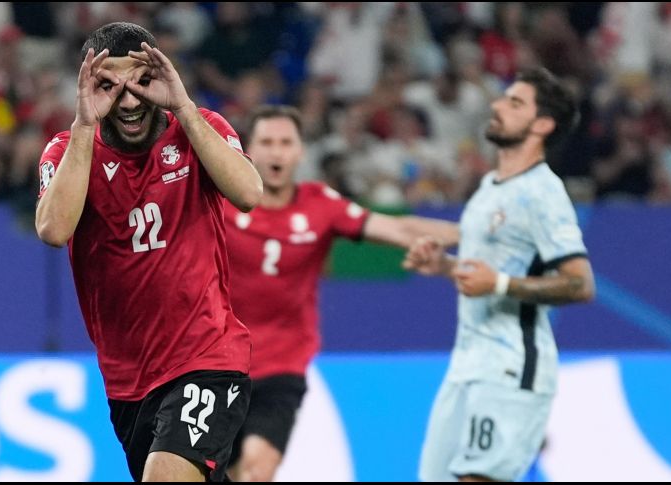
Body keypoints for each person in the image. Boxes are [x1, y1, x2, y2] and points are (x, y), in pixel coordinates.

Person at [34, 22, 263, 482]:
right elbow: (53, 229)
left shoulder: (199, 128)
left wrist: (183, 104)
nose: (130, 99)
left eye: (140, 80)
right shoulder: (67, 151)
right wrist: (83, 123)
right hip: (128, 381)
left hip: (207, 357)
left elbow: (249, 193)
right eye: (109, 85)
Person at [223, 105, 459, 482]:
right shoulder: (219, 201)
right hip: (217, 361)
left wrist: (470, 231)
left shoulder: (320, 204)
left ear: (301, 152)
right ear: (248, 150)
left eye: (286, 142)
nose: (276, 152)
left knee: (256, 470)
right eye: (266, 142)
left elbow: (399, 230)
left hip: (282, 363)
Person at [403, 67, 595, 482]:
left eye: (514, 102)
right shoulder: (490, 186)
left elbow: (581, 283)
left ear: (542, 124)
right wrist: (446, 266)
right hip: (466, 365)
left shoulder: (543, 192)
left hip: (511, 367)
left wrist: (501, 285)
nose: (497, 105)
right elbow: (492, 270)